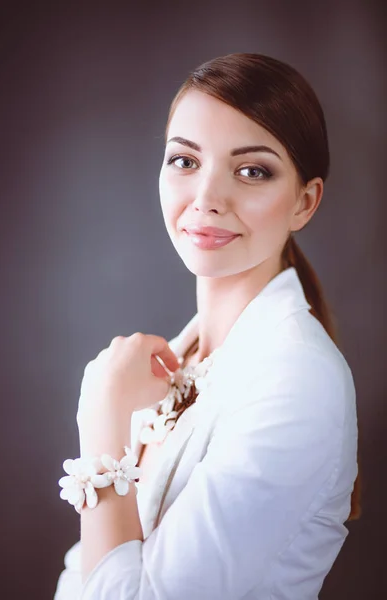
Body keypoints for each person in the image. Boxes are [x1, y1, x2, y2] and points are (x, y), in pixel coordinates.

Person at [54, 53, 360, 600]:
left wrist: (100, 422)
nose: (206, 199)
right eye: (185, 161)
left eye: (252, 171)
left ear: (305, 202)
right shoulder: (188, 352)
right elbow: (84, 571)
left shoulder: (296, 381)